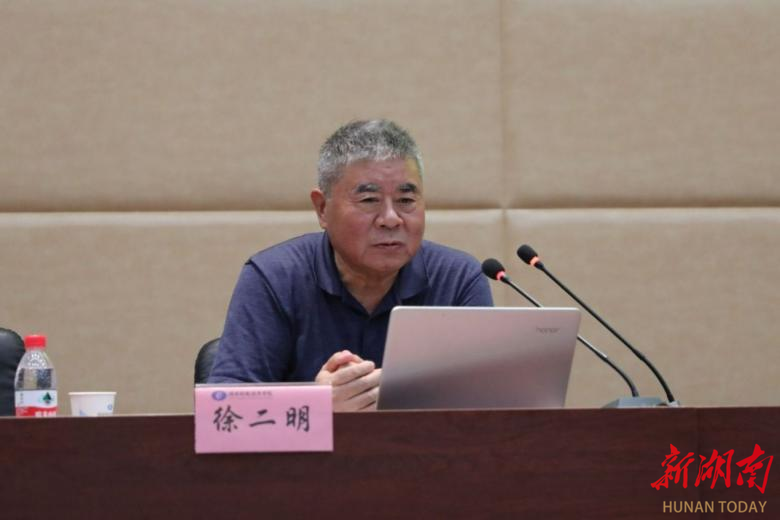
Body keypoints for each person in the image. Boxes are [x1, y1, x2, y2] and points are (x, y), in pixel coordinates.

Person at [208, 119, 493, 410]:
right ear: (322, 208)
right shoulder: (274, 277)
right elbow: (222, 412)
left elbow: (489, 407)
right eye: (369, 200)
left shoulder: (457, 280)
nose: (391, 219)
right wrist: (314, 406)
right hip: (313, 442)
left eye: (406, 199)